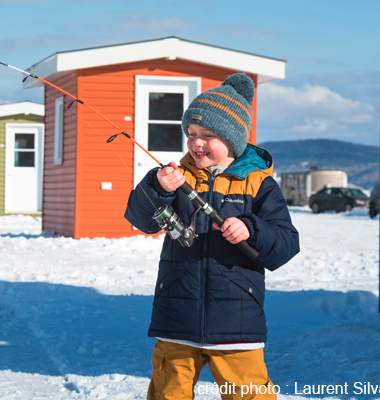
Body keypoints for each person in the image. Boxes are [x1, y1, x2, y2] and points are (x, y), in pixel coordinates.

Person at [124, 73, 300, 400]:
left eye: (208, 134)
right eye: (191, 133)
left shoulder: (259, 185)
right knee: (168, 394)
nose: (196, 142)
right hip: (177, 317)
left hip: (237, 322)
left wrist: (252, 229)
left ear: (232, 139)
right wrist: (158, 188)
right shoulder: (173, 177)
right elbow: (139, 218)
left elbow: (286, 243)